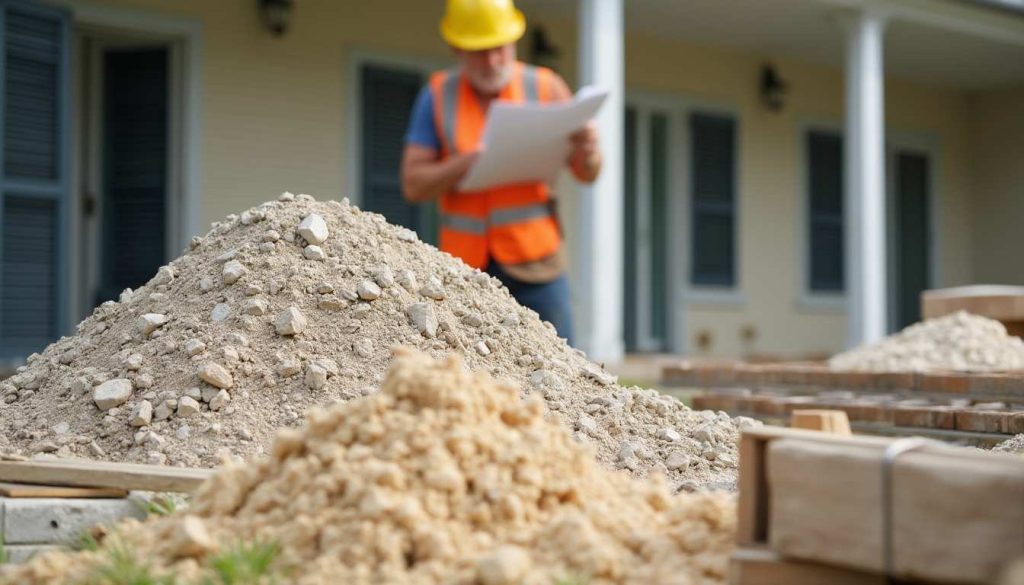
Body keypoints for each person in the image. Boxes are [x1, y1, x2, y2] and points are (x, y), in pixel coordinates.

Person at [401, 0, 602, 347]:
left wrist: (590, 150)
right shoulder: (436, 96)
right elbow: (413, 185)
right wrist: (466, 163)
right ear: (457, 48)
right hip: (463, 270)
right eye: (480, 51)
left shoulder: (546, 86)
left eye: (499, 48)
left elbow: (588, 173)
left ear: (513, 40)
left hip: (538, 263)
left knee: (559, 373)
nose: (492, 61)